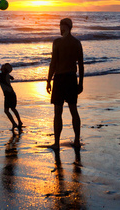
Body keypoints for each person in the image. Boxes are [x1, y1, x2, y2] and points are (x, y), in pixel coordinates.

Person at [46, 18, 84, 150]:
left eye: (60, 26)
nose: (59, 29)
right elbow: (81, 65)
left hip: (60, 79)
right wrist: (81, 83)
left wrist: (48, 80)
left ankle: (57, 143)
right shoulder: (77, 43)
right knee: (74, 110)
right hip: (72, 78)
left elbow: (53, 63)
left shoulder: (57, 42)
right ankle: (77, 141)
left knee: (58, 112)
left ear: (65, 27)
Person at [0, 62, 23, 130]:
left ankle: (14, 123)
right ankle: (19, 122)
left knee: (6, 110)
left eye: (2, 67)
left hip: (8, 95)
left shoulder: (1, 75)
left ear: (4, 69)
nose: (1, 67)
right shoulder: (6, 74)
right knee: (13, 109)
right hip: (11, 94)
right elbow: (12, 78)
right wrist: (8, 75)